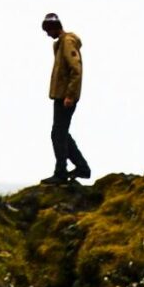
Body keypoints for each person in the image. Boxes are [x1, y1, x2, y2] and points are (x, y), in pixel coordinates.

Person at [41, 12, 91, 185]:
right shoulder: (60, 44)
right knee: (60, 133)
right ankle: (82, 168)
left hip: (66, 97)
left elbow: (76, 69)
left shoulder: (67, 42)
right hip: (61, 96)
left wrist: (70, 95)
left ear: (54, 28)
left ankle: (61, 172)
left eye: (48, 31)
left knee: (58, 134)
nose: (48, 34)